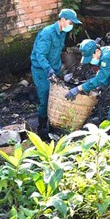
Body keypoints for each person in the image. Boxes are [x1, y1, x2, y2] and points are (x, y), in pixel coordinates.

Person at [30, 9, 82, 139]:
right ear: (62, 20)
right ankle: (42, 129)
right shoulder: (47, 33)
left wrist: (57, 70)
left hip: (54, 69)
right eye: (70, 22)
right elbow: (40, 54)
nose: (71, 26)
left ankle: (53, 125)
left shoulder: (62, 33)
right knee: (45, 99)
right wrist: (48, 69)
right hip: (41, 70)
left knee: (56, 97)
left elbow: (57, 51)